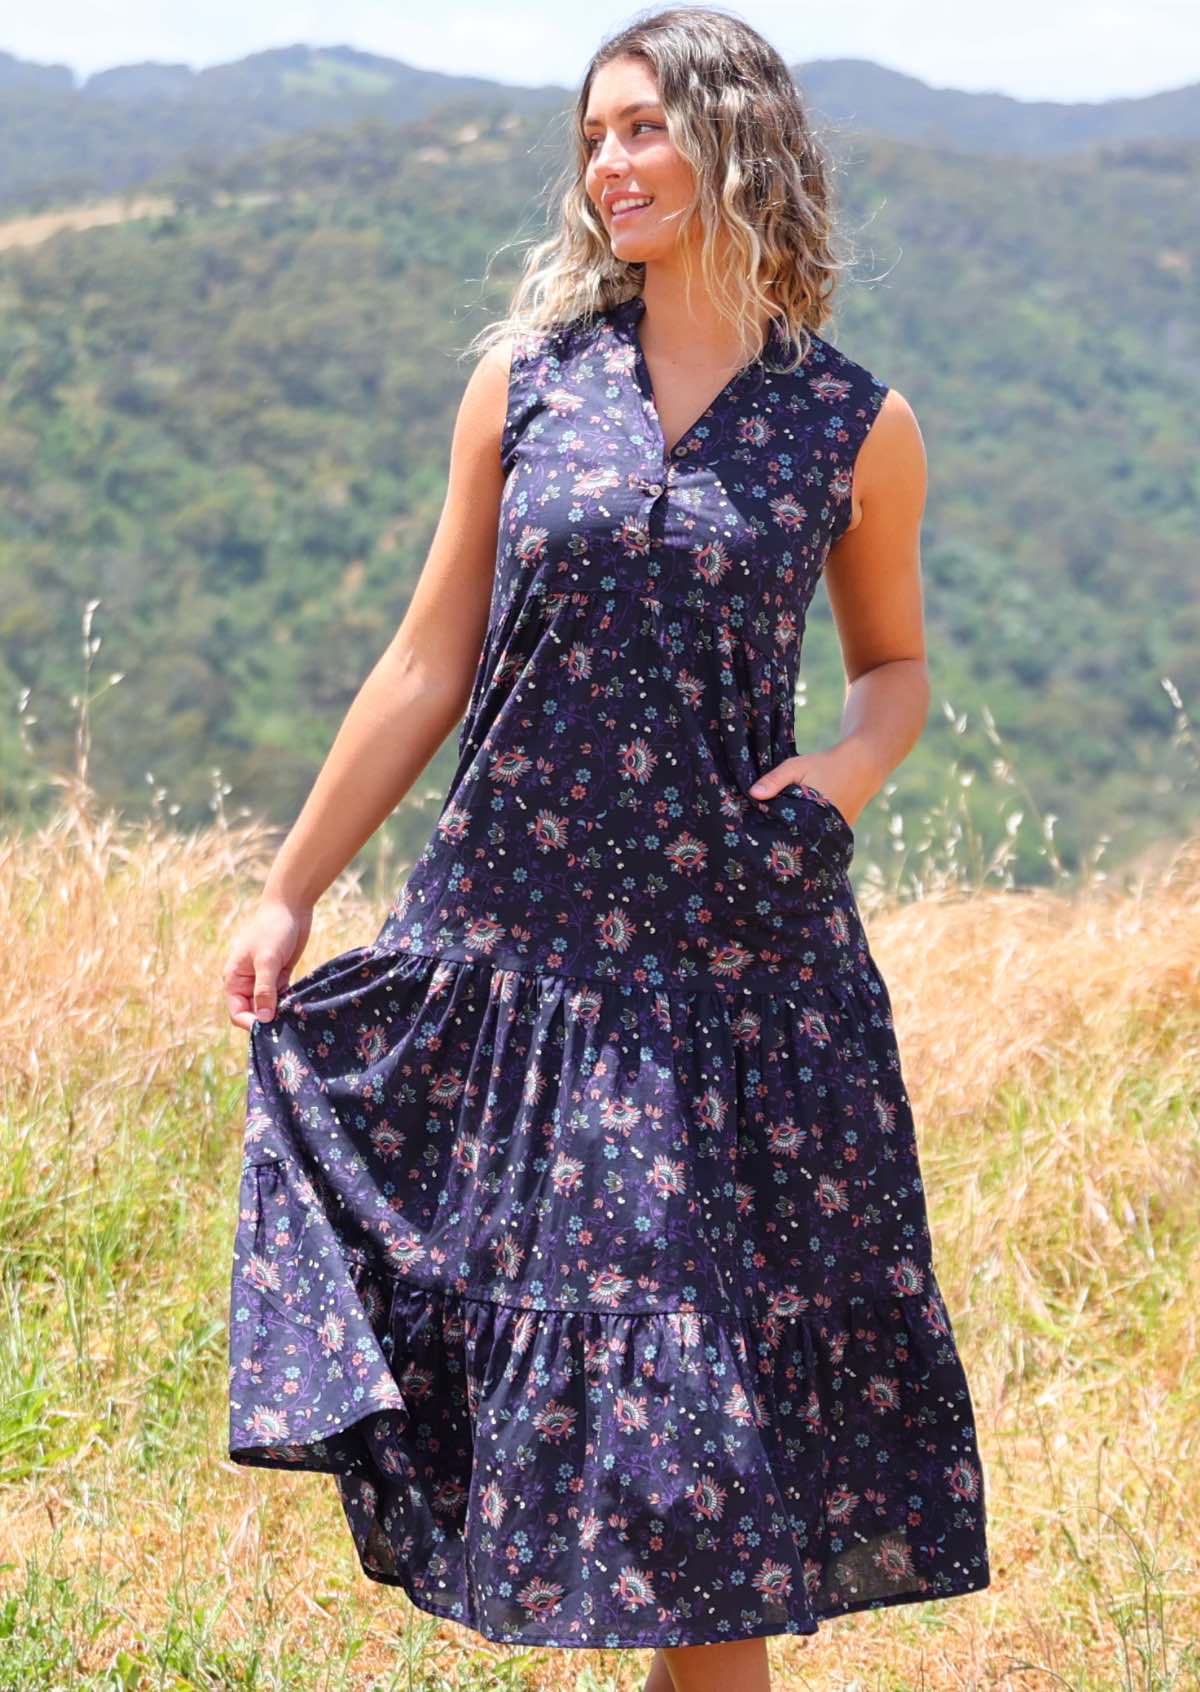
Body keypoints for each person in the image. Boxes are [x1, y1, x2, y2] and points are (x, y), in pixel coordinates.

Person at [222, 9, 990, 1689]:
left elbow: (896, 667)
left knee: (707, 1459)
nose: (609, 166)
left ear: (733, 140)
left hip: (740, 973)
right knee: (632, 1454)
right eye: (593, 139)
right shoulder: (525, 386)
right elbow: (424, 664)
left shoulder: (853, 423)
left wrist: (847, 772)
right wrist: (289, 887)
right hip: (520, 957)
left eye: (642, 128)